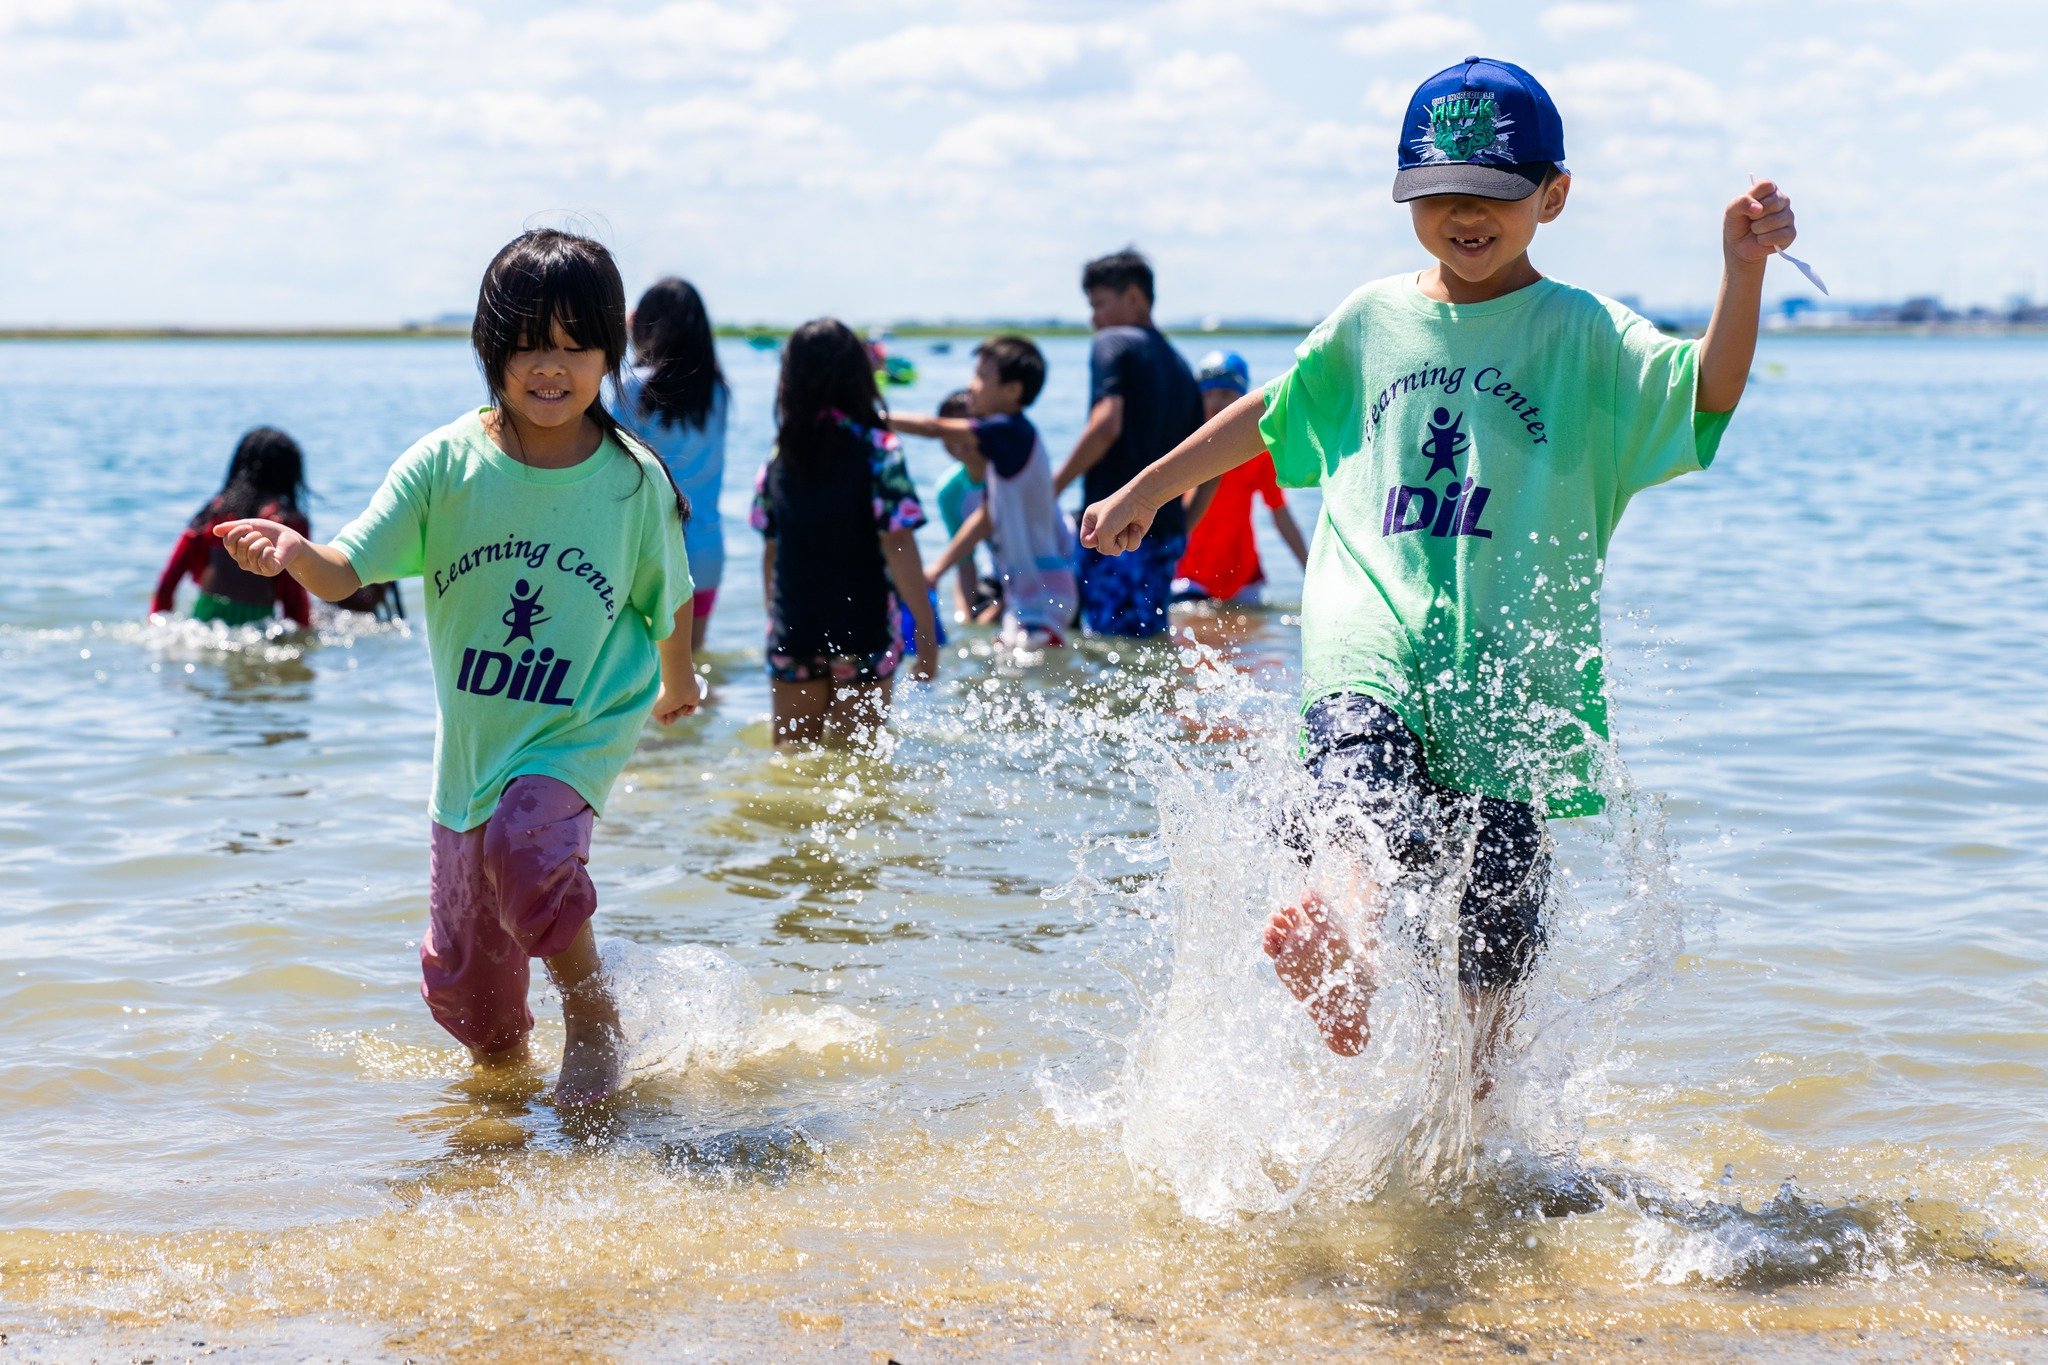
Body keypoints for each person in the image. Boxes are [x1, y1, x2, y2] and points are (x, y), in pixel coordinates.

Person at [1079, 57, 1793, 1087]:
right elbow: (1274, 413)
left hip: (1509, 681)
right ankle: (1341, 939)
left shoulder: (1581, 333)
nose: (1462, 215)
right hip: (1367, 633)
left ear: (1551, 195)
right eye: (1435, 195)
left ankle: (1471, 1131)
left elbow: (1704, 390)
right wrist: (1151, 484)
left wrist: (1741, 270)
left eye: (1490, 195)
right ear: (1401, 193)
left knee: (1491, 943)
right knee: (1354, 798)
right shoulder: (1372, 319)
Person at [211, 229, 701, 1107]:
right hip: (471, 758)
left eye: (572, 345)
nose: (549, 367)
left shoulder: (633, 484)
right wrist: (292, 550)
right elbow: (346, 567)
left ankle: (594, 1020)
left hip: (575, 732)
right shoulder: (445, 466)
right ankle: (504, 1103)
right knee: (473, 1002)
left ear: (607, 353)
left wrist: (679, 683)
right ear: (491, 349)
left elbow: (669, 600)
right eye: (526, 344)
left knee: (528, 842)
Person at [750, 318, 938, 745]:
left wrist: (774, 619)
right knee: (859, 767)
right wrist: (924, 634)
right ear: (857, 374)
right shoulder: (879, 449)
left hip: (793, 627)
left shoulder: (781, 453)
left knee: (794, 760)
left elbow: (770, 548)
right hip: (864, 627)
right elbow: (899, 542)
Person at [1056, 249, 1203, 638]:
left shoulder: (1113, 342)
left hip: (1115, 529)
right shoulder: (1181, 366)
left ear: (1134, 298)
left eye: (1099, 304)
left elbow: (1106, 425)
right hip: (1164, 533)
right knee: (1147, 645)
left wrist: (1052, 486)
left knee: (1106, 650)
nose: (1094, 318)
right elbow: (1210, 470)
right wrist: (1179, 528)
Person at [894, 335, 1076, 649]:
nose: (972, 385)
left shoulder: (1013, 432)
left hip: (1046, 590)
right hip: (1022, 591)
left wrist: (873, 418)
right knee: (1012, 671)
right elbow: (984, 519)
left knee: (1022, 671)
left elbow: (934, 427)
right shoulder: (1001, 458)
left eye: (982, 377)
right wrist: (938, 569)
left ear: (1012, 391)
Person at [616, 276, 729, 651]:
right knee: (690, 674)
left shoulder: (632, 388)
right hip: (707, 549)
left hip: (647, 552)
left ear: (642, 324)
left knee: (642, 679)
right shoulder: (717, 392)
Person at [1170, 351, 1310, 606]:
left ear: (1243, 398)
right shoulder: (1185, 445)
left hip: (1243, 576)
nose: (1214, 402)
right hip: (1190, 575)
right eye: (1207, 394)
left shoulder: (1256, 451)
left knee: (1252, 641)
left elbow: (1279, 512)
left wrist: (1309, 570)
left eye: (1224, 394)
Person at [152, 427, 314, 628]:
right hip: (257, 623)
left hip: (205, 618)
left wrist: (157, 623)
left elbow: (167, 585)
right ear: (291, 474)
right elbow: (294, 597)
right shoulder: (288, 523)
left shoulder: (213, 516)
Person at [929, 389, 1002, 625]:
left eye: (963, 428)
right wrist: (965, 619)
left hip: (1047, 571)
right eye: (949, 429)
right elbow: (965, 560)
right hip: (1001, 576)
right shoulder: (949, 491)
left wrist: (996, 613)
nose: (956, 438)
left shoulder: (1009, 476)